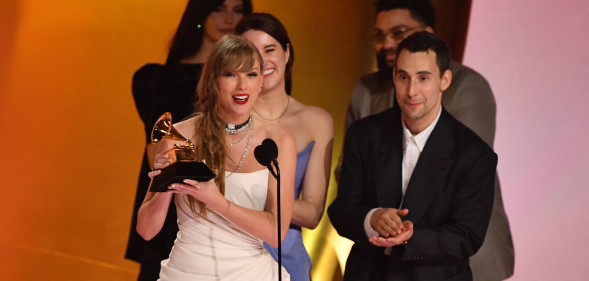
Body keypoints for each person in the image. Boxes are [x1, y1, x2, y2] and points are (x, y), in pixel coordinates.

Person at [337, 1, 514, 280]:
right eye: (404, 77)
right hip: (370, 271)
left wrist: (411, 235)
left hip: (437, 270)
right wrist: (371, 217)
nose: (412, 91)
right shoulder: (366, 130)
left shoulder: (473, 150)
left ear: (445, 80)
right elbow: (343, 207)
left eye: (423, 78)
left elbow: (464, 231)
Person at [137, 35, 295, 280]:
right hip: (187, 271)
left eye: (251, 74)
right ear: (212, 80)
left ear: (261, 81)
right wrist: (165, 185)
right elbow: (146, 231)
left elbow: (276, 233)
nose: (242, 85)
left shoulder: (278, 141)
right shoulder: (178, 137)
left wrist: (215, 200)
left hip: (253, 273)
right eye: (231, 74)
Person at [126, 1, 253, 280]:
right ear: (200, 14)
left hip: (235, 217)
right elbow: (159, 157)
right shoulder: (159, 80)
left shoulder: (252, 83)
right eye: (218, 8)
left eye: (238, 9)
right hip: (174, 212)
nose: (229, 18)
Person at [235, 13, 334, 281]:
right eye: (251, 52)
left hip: (287, 262)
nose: (263, 61)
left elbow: (313, 214)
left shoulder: (316, 121)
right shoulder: (225, 118)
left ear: (287, 53)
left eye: (270, 50)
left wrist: (247, 194)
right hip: (230, 255)